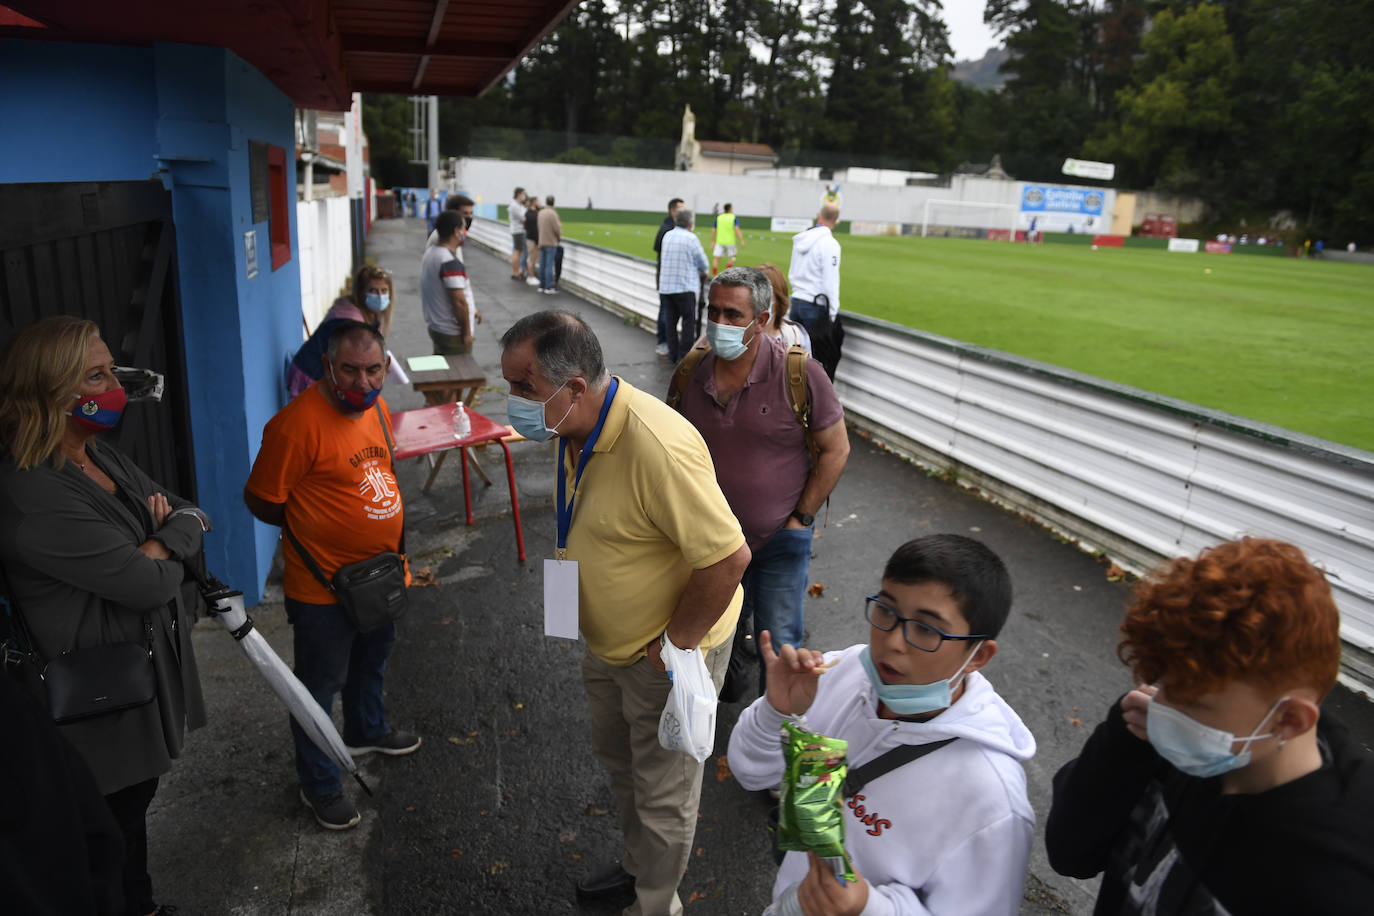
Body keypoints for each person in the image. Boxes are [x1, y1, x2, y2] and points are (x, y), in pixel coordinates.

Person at [499, 311, 750, 914]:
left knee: (665, 794)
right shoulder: (575, 426)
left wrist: (674, 646)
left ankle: (655, 903)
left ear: (576, 387)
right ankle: (640, 869)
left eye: (523, 389)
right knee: (623, 767)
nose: (514, 404)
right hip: (609, 646)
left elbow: (727, 557)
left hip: (662, 656)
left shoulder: (656, 443)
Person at [0, 316, 210, 916]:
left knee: (131, 819)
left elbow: (192, 512)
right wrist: (162, 542)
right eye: (96, 376)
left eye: (111, 368)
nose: (114, 385)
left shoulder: (97, 456)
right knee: (108, 835)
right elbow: (145, 585)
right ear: (52, 392)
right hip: (98, 702)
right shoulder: (32, 496)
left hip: (138, 678)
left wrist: (163, 537)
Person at [1045, 537, 1374, 914]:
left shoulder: (1341, 876)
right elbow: (1071, 855)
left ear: (1290, 720)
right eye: (1163, 682)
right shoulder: (1161, 740)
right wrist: (1120, 747)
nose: (1164, 708)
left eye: (1194, 703)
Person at [728, 534, 1036, 916]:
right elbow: (750, 771)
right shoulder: (846, 672)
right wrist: (777, 712)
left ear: (978, 655)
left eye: (927, 629)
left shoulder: (992, 802)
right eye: (886, 611)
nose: (892, 642)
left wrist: (868, 907)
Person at [244, 321, 421, 832]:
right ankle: (320, 785)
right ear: (326, 365)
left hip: (383, 577)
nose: (363, 383)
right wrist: (319, 532)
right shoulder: (294, 426)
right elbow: (262, 499)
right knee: (317, 687)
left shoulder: (377, 408)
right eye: (350, 370)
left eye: (373, 370)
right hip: (322, 590)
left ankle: (367, 729)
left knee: (373, 661)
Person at [671, 267, 849, 694]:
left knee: (780, 646)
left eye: (733, 315)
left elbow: (836, 449)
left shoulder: (801, 374)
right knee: (708, 639)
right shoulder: (690, 372)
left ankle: (775, 732)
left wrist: (800, 519)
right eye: (712, 312)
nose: (719, 324)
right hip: (708, 544)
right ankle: (712, 707)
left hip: (778, 544)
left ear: (763, 319)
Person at [285, 264, 397, 399]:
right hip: (311, 376)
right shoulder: (349, 323)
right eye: (373, 291)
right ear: (361, 293)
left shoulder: (370, 315)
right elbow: (349, 366)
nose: (380, 296)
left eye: (384, 290)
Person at [788, 203, 844, 380]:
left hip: (796, 301)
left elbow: (792, 271)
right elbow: (830, 281)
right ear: (837, 221)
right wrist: (832, 313)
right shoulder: (830, 244)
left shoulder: (802, 240)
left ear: (818, 215)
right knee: (813, 364)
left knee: (794, 358)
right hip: (814, 306)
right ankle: (813, 405)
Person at [419, 209, 480, 359]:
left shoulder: (431, 253)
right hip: (453, 334)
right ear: (456, 231)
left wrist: (472, 310)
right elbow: (459, 302)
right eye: (464, 228)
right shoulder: (449, 261)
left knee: (443, 374)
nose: (465, 231)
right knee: (459, 377)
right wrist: (466, 333)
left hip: (437, 327)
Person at [658, 207, 710, 363]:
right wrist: (704, 271)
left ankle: (672, 356)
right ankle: (684, 358)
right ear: (690, 222)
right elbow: (703, 263)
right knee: (688, 323)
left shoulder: (667, 235)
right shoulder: (691, 238)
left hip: (666, 287)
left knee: (670, 324)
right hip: (685, 287)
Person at [653, 198, 685, 357]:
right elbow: (659, 249)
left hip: (670, 278)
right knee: (665, 311)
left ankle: (667, 342)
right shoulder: (666, 228)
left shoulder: (671, 227)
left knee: (667, 311)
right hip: (667, 277)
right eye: (681, 209)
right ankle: (662, 342)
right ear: (673, 211)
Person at [757, 262, 812, 353]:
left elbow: (807, 366)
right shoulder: (740, 337)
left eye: (765, 294)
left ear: (779, 300)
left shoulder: (796, 337)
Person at [537, 194, 562, 294]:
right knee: (549, 265)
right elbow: (557, 229)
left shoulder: (541, 212)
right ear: (553, 202)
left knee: (542, 265)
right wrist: (559, 238)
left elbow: (538, 227)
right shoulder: (553, 214)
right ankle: (548, 287)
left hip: (542, 241)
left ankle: (541, 286)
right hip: (551, 242)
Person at [711, 202, 742, 275]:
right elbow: (736, 229)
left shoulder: (719, 217)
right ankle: (727, 273)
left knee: (716, 259)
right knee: (732, 257)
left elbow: (713, 229)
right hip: (730, 242)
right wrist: (741, 240)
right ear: (730, 209)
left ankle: (714, 275)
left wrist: (713, 241)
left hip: (719, 241)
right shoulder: (733, 217)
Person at [509, 187, 528, 280]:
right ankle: (515, 272)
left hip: (519, 230)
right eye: (523, 194)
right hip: (518, 231)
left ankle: (517, 271)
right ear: (519, 194)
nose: (524, 196)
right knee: (517, 251)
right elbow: (523, 217)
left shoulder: (518, 204)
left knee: (519, 251)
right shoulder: (514, 205)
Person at [524, 194, 541, 287]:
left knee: (531, 258)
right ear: (534, 203)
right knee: (532, 258)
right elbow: (535, 229)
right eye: (538, 201)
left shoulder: (528, 213)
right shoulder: (533, 214)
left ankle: (531, 276)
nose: (540, 203)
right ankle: (531, 276)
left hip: (530, 238)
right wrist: (538, 242)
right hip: (532, 240)